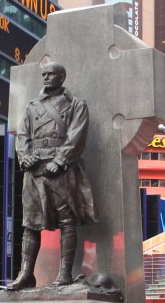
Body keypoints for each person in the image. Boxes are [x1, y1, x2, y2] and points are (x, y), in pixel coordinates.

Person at [7, 61, 98, 290]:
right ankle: (26, 273)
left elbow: (76, 137)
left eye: (50, 74)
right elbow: (22, 136)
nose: (46, 78)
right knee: (30, 223)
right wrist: (24, 157)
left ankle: (65, 273)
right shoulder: (32, 106)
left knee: (67, 220)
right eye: (44, 74)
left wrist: (59, 161)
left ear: (61, 77)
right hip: (34, 170)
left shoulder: (76, 105)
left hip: (60, 170)